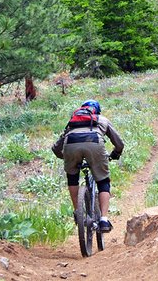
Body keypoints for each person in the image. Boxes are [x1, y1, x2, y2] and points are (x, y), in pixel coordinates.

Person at [61, 99, 124, 232]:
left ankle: (78, 212)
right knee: (103, 181)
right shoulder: (101, 119)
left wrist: (66, 156)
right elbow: (119, 143)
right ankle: (104, 220)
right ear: (97, 111)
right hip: (94, 144)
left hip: (71, 145)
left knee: (72, 178)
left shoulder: (72, 122)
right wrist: (116, 153)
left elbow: (56, 147)